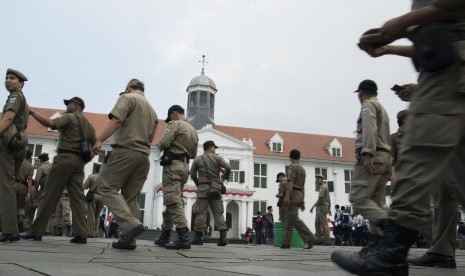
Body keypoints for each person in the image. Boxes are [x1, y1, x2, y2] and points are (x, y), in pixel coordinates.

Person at [331, 1, 465, 275]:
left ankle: (391, 249)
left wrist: (401, 24)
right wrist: (390, 46)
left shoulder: (369, 106)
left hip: (448, 72)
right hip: (444, 63)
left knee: (418, 154)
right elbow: (443, 31)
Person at [93, 79, 158, 250]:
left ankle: (130, 225)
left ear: (129, 88)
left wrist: (99, 139)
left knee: (106, 186)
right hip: (144, 155)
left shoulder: (127, 98)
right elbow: (151, 137)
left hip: (125, 150)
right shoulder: (152, 110)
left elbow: (116, 121)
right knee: (131, 196)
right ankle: (129, 239)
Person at [22, 96, 96, 244]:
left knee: (49, 194)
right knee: (77, 199)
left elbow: (51, 123)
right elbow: (94, 146)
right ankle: (81, 233)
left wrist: (32, 113)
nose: (66, 107)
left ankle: (36, 231)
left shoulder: (70, 117)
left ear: (75, 105)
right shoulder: (88, 125)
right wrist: (84, 160)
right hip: (79, 164)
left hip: (64, 159)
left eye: (68, 104)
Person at [349, 79, 391, 250]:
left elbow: (369, 127)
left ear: (361, 92)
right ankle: (378, 245)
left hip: (373, 157)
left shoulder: (367, 105)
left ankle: (393, 228)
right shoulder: (382, 107)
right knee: (377, 202)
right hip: (385, 158)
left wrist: (368, 154)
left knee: (358, 199)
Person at [154, 105, 198, 250]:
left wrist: (160, 144)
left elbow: (164, 143)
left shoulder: (174, 124)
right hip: (185, 166)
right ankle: (165, 235)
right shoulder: (193, 130)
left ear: (173, 114)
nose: (169, 120)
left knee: (173, 200)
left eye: (170, 117)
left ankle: (183, 237)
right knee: (172, 201)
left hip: (173, 165)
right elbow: (193, 154)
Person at [0, 68, 29, 242]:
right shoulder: (23, 99)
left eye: (12, 78)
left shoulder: (15, 97)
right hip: (18, 143)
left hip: (8, 144)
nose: (8, 80)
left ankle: (10, 229)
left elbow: (8, 118)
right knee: (6, 184)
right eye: (6, 78)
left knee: (5, 185)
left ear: (21, 84)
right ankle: (8, 226)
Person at [189, 140, 231, 246]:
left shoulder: (198, 159)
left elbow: (193, 174)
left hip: (203, 188)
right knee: (218, 213)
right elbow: (228, 167)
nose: (215, 149)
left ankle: (198, 238)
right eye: (214, 147)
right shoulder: (217, 158)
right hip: (215, 189)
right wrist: (223, 179)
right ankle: (223, 238)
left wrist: (198, 184)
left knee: (201, 213)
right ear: (210, 147)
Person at [281, 149, 317, 249]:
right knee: (289, 218)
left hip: (293, 194)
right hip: (299, 193)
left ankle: (310, 237)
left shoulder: (293, 167)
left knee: (293, 217)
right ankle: (286, 243)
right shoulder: (302, 169)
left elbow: (291, 182)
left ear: (290, 157)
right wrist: (302, 200)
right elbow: (303, 186)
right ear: (299, 157)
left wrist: (287, 195)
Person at [310, 174, 331, 245]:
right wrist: (329, 208)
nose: (316, 181)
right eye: (316, 179)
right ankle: (319, 239)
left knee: (323, 223)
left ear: (322, 179)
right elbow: (329, 199)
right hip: (320, 207)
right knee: (317, 223)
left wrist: (313, 207)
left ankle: (327, 240)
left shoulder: (323, 187)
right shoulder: (323, 187)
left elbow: (320, 199)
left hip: (322, 206)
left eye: (318, 179)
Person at [15, 150, 34, 232]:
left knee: (10, 204)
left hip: (13, 184)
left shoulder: (16, 162)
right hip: (23, 186)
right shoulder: (30, 166)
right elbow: (30, 180)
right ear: (30, 157)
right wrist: (29, 192)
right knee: (21, 205)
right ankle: (21, 217)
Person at [390, 109, 408, 191]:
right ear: (405, 120)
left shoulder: (416, 137)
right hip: (401, 177)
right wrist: (393, 177)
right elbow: (391, 160)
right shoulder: (393, 138)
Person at [83, 164, 102, 238]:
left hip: (93, 196)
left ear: (95, 170)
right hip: (102, 196)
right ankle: (96, 232)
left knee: (91, 215)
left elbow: (85, 186)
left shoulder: (92, 176)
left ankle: (91, 233)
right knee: (97, 216)